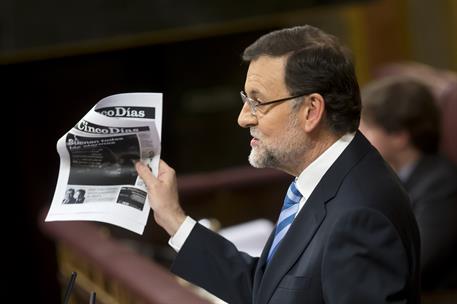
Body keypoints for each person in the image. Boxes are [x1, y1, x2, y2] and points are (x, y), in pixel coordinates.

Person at [136, 25, 420, 303]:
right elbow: (264, 290)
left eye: (258, 102)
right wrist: (173, 219)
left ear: (311, 111)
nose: (243, 118)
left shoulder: (360, 217)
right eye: (246, 100)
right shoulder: (326, 176)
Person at [360, 75, 457, 291]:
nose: (358, 137)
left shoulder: (440, 184)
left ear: (399, 137)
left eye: (367, 129)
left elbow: (418, 261)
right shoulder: (385, 177)